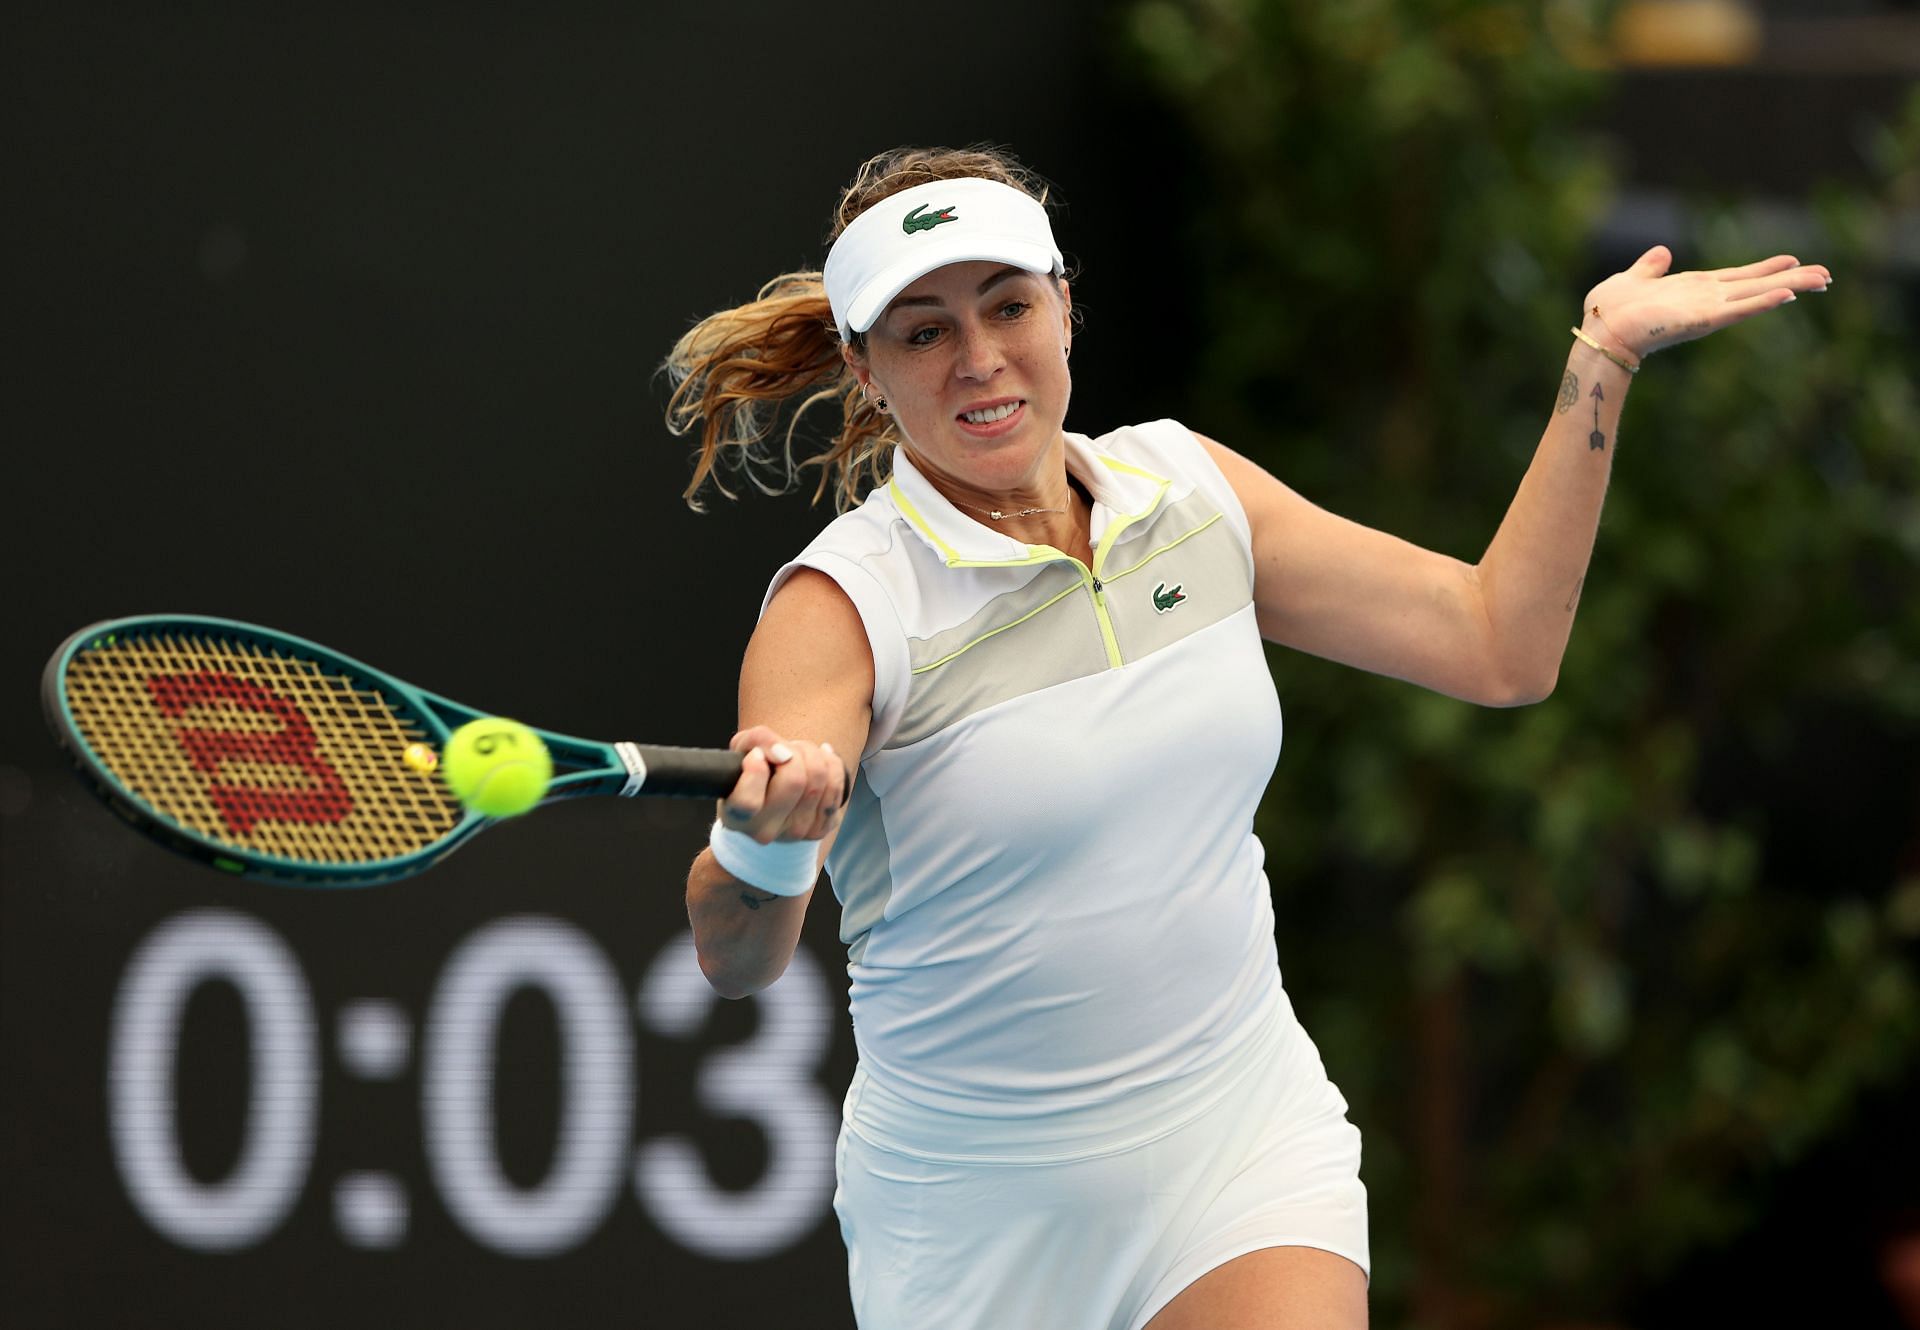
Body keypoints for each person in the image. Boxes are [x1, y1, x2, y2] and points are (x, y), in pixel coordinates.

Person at [664, 145, 1830, 1330]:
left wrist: (1604, 360)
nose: (981, 360)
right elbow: (740, 956)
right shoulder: (841, 606)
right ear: (865, 369)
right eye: (922, 333)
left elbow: (1499, 644)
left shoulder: (1192, 490)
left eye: (1008, 305)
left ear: (1066, 306)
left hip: (1237, 1137)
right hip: (977, 1215)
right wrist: (764, 846)